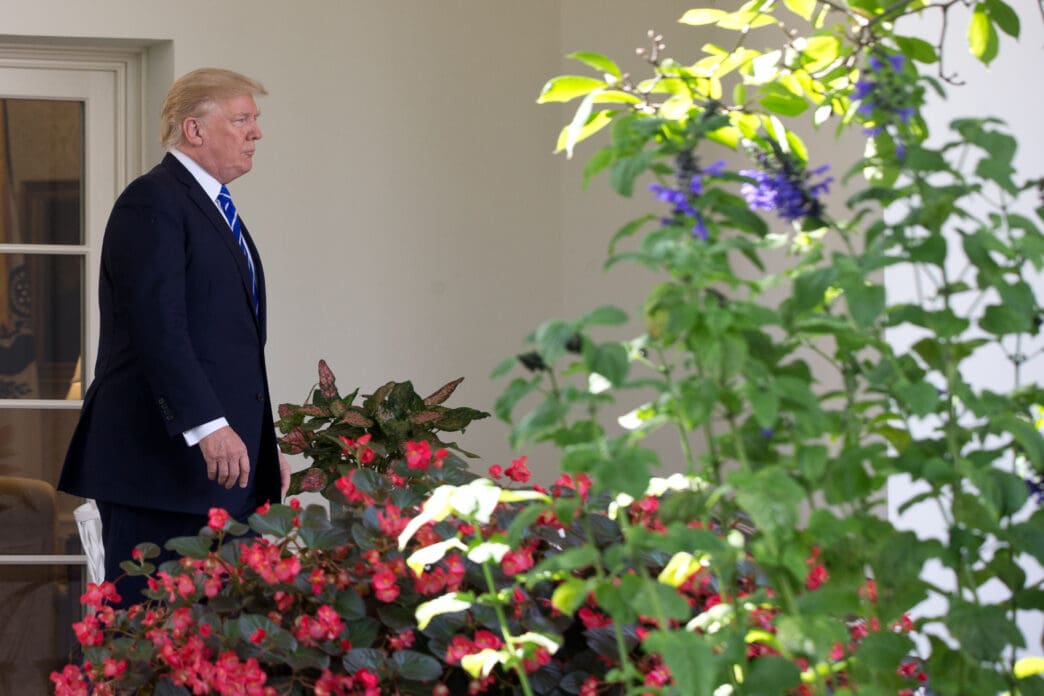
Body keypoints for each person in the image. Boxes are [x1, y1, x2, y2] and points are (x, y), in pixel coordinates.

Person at [59, 68, 289, 606]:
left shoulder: (212, 207)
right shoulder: (153, 201)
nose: (256, 132)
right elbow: (157, 326)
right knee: (152, 644)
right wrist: (208, 425)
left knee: (224, 647)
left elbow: (230, 347)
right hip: (160, 468)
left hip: (223, 471)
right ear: (195, 129)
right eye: (242, 119)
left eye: (255, 120)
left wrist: (261, 440)